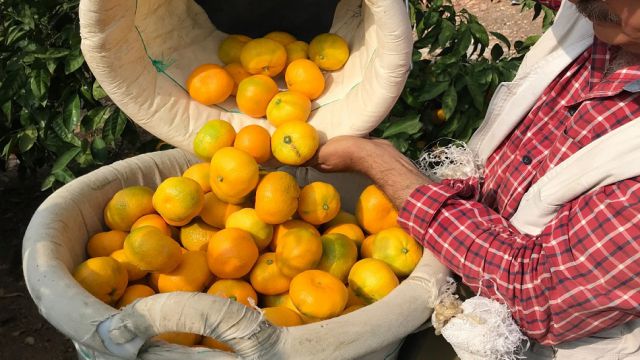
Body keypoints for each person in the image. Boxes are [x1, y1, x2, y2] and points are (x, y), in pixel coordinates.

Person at [315, 0, 640, 358]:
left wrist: (382, 164)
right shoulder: (608, 16)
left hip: (515, 343)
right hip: (451, 271)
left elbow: (536, 293)